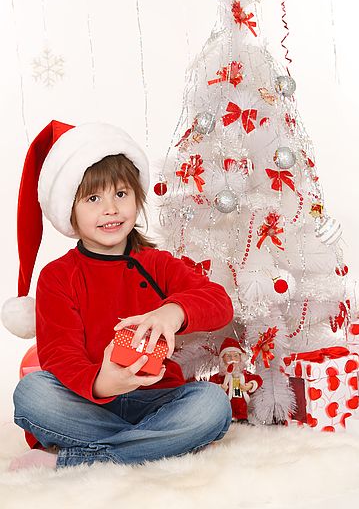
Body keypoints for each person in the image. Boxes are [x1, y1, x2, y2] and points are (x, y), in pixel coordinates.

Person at [3, 120, 233, 470]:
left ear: (136, 199)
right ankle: (154, 444)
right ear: (70, 211)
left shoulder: (156, 263)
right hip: (87, 403)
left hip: (157, 399)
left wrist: (171, 313)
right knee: (32, 393)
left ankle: (84, 458)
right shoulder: (58, 277)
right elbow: (59, 357)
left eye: (121, 194)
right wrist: (104, 381)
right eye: (94, 198)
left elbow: (219, 302)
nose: (111, 209)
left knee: (212, 403)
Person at [209, 337, 263, 422]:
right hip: (225, 408)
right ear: (222, 359)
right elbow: (210, 386)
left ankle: (242, 419)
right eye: (228, 356)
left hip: (242, 407)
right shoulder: (220, 376)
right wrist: (219, 387)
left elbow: (258, 379)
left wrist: (251, 385)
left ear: (241, 358)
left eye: (235, 356)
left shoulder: (245, 375)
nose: (232, 359)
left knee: (241, 411)